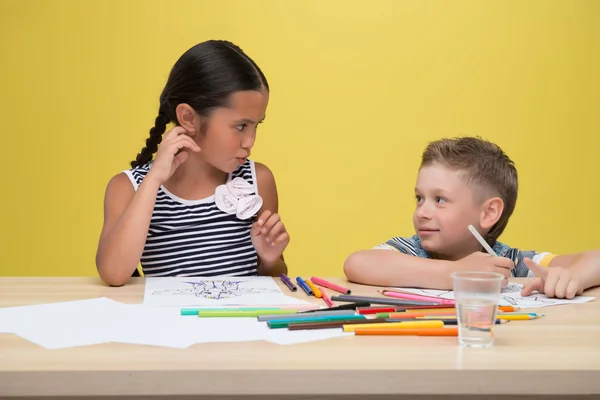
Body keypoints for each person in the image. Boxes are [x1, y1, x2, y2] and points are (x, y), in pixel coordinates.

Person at [96, 40, 289, 286]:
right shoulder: (128, 188)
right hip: (169, 323)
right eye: (240, 126)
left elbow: (276, 276)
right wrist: (154, 179)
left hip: (239, 323)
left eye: (256, 125)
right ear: (188, 118)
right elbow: (113, 274)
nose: (250, 141)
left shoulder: (257, 180)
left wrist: (270, 259)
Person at [343, 136, 600, 299]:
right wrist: (455, 273)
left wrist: (571, 277)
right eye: (419, 198)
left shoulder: (508, 263)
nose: (422, 211)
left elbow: (595, 260)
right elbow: (357, 263)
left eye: (439, 200)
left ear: (488, 213)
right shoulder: (411, 250)